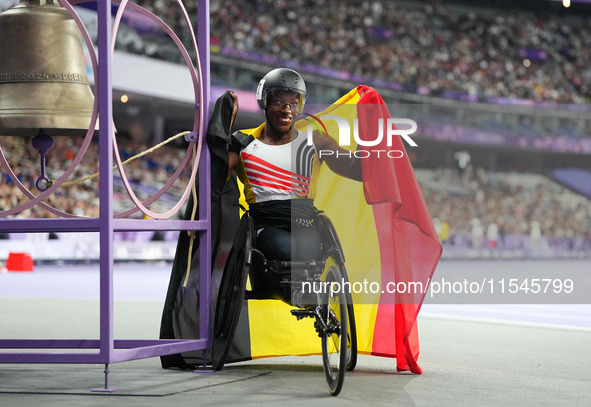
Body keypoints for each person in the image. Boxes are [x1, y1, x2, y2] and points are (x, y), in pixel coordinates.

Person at [227, 67, 362, 302]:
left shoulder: (315, 141)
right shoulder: (243, 143)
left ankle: (304, 295)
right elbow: (216, 174)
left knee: (309, 248)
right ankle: (297, 293)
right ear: (264, 101)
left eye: (294, 102)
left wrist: (369, 138)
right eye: (279, 101)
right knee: (287, 247)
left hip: (305, 222)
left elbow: (354, 169)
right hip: (265, 226)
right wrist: (222, 126)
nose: (287, 109)